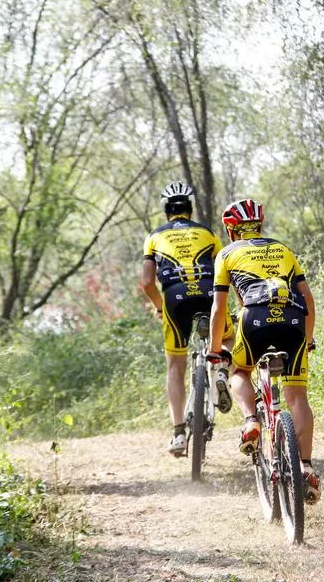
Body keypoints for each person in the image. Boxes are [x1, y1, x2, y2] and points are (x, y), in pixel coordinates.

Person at [207, 198, 320, 504]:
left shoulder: (227, 254)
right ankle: (306, 468)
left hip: (253, 318)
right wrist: (308, 341)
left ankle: (250, 422)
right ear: (260, 225)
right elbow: (308, 300)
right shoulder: (283, 249)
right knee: (297, 397)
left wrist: (216, 350)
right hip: (293, 319)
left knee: (241, 371)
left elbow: (219, 309)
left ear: (232, 229)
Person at [140, 182, 234, 456]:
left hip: (174, 297)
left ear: (167, 210)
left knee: (175, 366)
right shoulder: (207, 233)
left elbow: (146, 282)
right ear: (190, 209)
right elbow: (224, 268)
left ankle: (179, 433)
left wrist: (160, 308)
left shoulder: (154, 236)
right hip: (208, 292)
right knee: (227, 337)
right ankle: (220, 371)